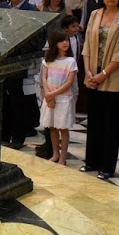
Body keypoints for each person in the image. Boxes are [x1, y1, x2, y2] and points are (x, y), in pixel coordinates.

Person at [80, 0, 119, 180]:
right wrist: (87, 71)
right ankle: (91, 161)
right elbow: (86, 44)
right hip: (92, 74)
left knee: (110, 123)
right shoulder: (95, 14)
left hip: (112, 77)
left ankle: (107, 166)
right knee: (93, 121)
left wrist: (102, 74)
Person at [0, 0, 39, 148]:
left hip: (19, 62)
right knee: (2, 100)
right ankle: (4, 134)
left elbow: (36, 39)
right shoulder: (1, 8)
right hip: (1, 61)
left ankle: (18, 136)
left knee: (18, 101)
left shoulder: (32, 11)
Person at [41, 27, 78, 164]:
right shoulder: (48, 60)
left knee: (63, 128)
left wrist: (53, 94)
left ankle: (63, 156)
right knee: (52, 127)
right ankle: (55, 154)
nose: (65, 43)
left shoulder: (70, 62)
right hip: (50, 98)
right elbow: (44, 78)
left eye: (66, 40)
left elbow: (69, 83)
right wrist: (48, 95)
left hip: (63, 99)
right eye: (61, 40)